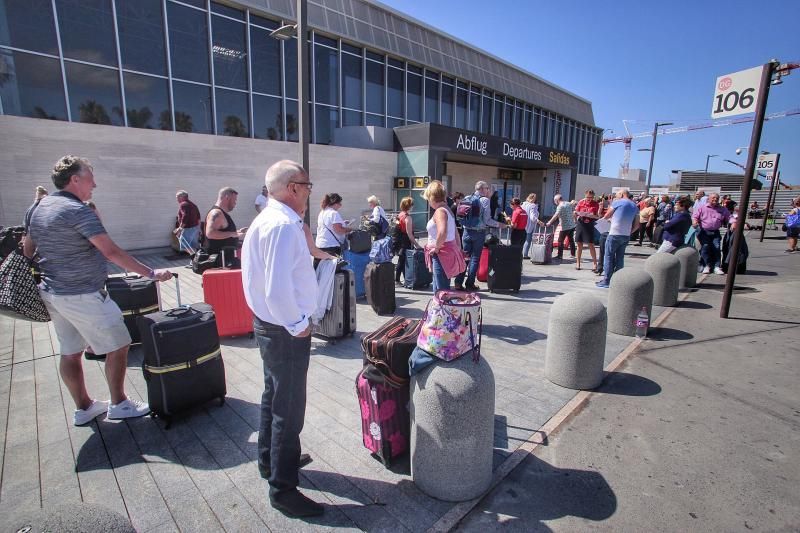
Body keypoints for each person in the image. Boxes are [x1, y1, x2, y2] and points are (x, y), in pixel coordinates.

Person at [24, 156, 172, 426]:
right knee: (119, 343)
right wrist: (151, 273)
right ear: (75, 180)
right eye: (90, 176)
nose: (95, 183)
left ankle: (84, 408)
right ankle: (119, 404)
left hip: (53, 292)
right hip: (82, 294)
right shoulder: (77, 211)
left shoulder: (39, 207)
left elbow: (28, 250)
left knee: (70, 351)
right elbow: (111, 251)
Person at [241, 160, 323, 518]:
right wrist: (298, 324)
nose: (309, 191)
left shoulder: (267, 219)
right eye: (307, 185)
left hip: (269, 325)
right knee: (288, 411)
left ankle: (269, 463)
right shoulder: (284, 225)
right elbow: (277, 290)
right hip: (284, 329)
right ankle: (283, 490)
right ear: (293, 187)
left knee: (273, 398)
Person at [454, 181, 506, 291]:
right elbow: (487, 220)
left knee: (465, 257)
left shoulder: (467, 197)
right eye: (487, 188)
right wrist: (499, 224)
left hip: (466, 232)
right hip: (479, 233)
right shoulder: (485, 200)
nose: (488, 190)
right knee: (475, 259)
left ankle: (458, 283)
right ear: (482, 189)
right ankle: (470, 284)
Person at [422, 181, 463, 293]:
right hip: (447, 251)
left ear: (432, 197)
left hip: (441, 253)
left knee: (441, 290)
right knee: (442, 288)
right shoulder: (447, 209)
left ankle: (442, 309)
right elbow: (455, 232)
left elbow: (442, 232)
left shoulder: (440, 211)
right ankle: (440, 309)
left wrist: (436, 248)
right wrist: (458, 249)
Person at [595, 189, 640, 288]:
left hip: (614, 233)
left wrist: (609, 219)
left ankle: (606, 281)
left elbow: (606, 216)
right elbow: (637, 225)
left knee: (609, 257)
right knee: (620, 257)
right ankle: (619, 280)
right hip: (625, 235)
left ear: (622, 194)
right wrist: (629, 232)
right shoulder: (635, 206)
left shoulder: (618, 202)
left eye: (617, 194)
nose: (616, 196)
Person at [203, 187, 246, 268]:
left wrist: (237, 232)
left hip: (226, 260)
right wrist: (234, 234)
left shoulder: (221, 213)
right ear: (227, 197)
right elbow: (210, 233)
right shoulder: (216, 213)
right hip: (220, 262)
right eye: (235, 200)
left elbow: (224, 231)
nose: (235, 203)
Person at [692, 192, 730, 275]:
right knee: (705, 247)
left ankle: (717, 267)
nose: (715, 199)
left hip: (715, 231)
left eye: (717, 198)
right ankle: (706, 266)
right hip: (704, 231)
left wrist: (733, 222)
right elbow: (695, 216)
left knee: (716, 248)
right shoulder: (702, 207)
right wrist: (695, 222)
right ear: (708, 199)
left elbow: (729, 218)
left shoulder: (722, 209)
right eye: (713, 198)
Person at [315, 193, 353, 260]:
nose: (340, 206)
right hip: (331, 246)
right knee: (333, 269)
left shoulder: (322, 212)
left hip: (320, 245)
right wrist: (349, 229)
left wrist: (342, 223)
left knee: (323, 268)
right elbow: (339, 230)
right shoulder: (333, 213)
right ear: (335, 203)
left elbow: (329, 225)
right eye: (339, 204)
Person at [394, 196, 419, 285]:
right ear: (409, 206)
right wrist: (417, 245)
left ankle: (404, 279)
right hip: (405, 241)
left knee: (402, 260)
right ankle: (397, 280)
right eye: (412, 205)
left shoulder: (400, 214)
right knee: (403, 260)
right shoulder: (408, 218)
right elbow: (409, 234)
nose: (413, 206)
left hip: (399, 240)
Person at [573, 189, 600, 271]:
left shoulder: (595, 204)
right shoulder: (581, 202)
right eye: (588, 197)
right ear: (585, 196)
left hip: (590, 224)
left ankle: (595, 264)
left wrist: (592, 216)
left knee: (591, 244)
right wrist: (575, 216)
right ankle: (578, 263)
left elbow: (598, 216)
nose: (589, 199)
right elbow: (575, 212)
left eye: (591, 197)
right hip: (581, 224)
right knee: (579, 244)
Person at [545, 194, 576, 261]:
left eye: (554, 201)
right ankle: (573, 254)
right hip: (572, 225)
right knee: (571, 239)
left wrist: (549, 222)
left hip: (565, 226)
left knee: (560, 241)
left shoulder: (560, 206)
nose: (554, 202)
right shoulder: (568, 203)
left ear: (557, 200)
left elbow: (556, 215)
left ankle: (559, 255)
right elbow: (573, 204)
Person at [521, 193, 543, 259]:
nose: (535, 199)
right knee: (528, 240)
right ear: (533, 198)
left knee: (522, 240)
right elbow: (532, 217)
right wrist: (539, 222)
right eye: (535, 198)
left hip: (522, 225)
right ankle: (525, 254)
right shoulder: (533, 206)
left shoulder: (523, 204)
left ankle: (519, 253)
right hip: (529, 226)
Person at [594, 194, 612, 276]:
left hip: (612, 231)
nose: (604, 201)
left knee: (609, 252)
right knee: (602, 250)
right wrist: (600, 209)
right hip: (604, 230)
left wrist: (611, 206)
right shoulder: (602, 207)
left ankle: (608, 269)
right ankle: (599, 268)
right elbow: (599, 216)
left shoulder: (613, 207)